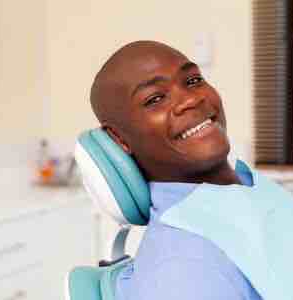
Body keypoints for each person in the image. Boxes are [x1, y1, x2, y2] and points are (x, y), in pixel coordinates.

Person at [90, 40, 262, 300]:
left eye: (192, 81)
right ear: (119, 139)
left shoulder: (247, 190)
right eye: (155, 99)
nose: (191, 99)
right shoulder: (187, 270)